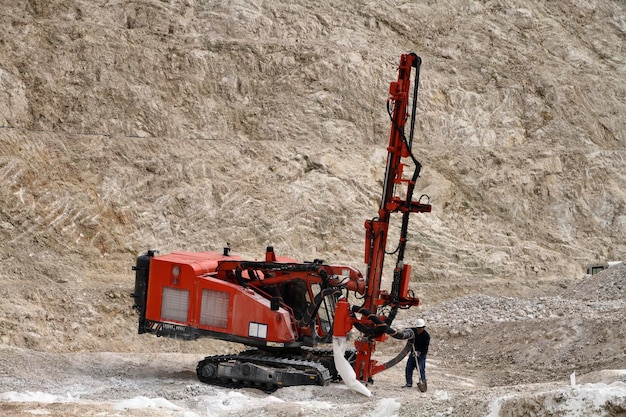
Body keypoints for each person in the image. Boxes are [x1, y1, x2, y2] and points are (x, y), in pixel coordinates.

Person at [403, 318, 430, 392]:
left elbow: (425, 348)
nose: (419, 330)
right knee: (409, 367)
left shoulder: (426, 336)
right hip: (413, 353)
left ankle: (423, 383)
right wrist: (406, 331)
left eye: (420, 328)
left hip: (421, 355)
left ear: (423, 328)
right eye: (418, 328)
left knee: (421, 369)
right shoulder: (413, 331)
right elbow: (407, 329)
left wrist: (419, 352)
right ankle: (409, 383)